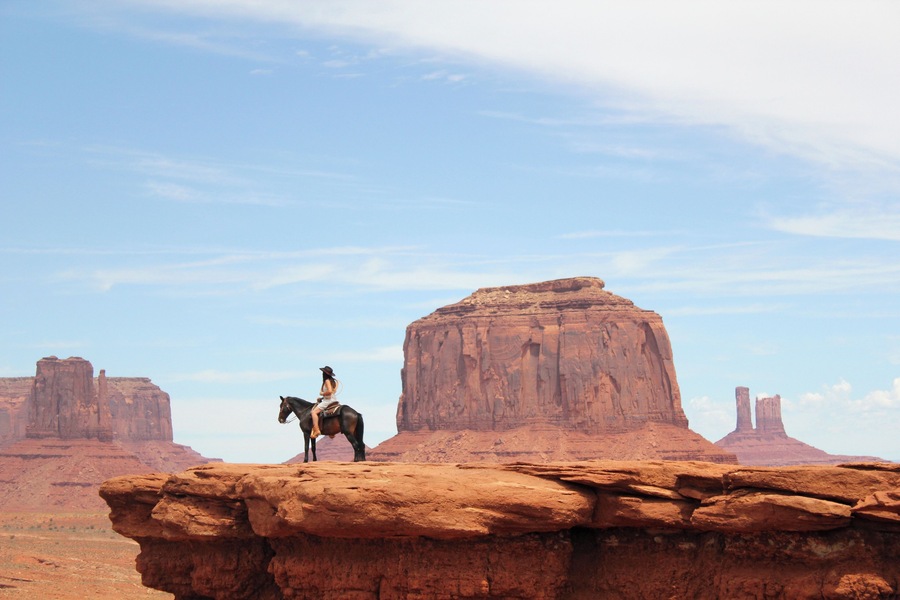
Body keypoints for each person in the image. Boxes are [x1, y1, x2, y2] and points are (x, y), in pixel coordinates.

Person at [310, 365, 339, 438]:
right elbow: (332, 392)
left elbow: (329, 391)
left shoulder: (327, 381)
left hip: (328, 401)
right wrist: (321, 398)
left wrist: (322, 393)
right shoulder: (333, 381)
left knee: (313, 412)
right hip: (332, 399)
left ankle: (316, 430)